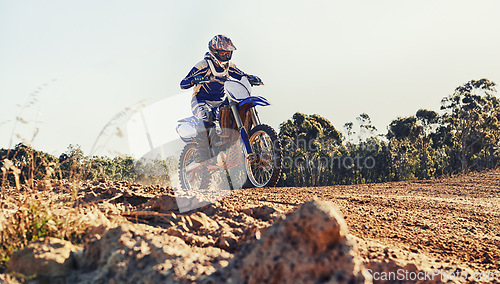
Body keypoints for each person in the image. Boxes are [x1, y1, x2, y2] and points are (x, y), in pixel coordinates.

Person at [180, 35, 262, 163]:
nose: (225, 56)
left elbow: (241, 75)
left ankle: (231, 143)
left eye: (228, 53)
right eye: (223, 53)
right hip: (201, 101)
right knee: (206, 116)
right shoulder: (203, 65)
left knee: (235, 112)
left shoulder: (229, 66)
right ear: (214, 52)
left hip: (220, 101)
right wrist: (194, 80)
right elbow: (183, 83)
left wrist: (250, 78)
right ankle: (203, 154)